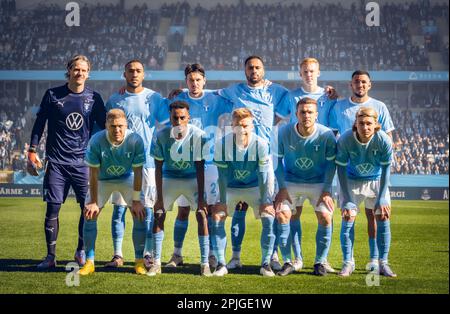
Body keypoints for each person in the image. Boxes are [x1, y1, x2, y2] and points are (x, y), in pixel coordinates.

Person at [28, 55, 106, 269]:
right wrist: (32, 151)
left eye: (83, 70)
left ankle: (81, 251)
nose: (79, 73)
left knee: (87, 209)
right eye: (76, 69)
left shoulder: (94, 98)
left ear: (88, 73)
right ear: (69, 71)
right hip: (57, 163)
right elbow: (39, 124)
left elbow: (106, 126)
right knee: (52, 208)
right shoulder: (52, 95)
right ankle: (50, 257)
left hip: (84, 164)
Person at [217, 55, 288, 271]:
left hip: (266, 156)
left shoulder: (275, 91)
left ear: (263, 70)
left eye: (257, 67)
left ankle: (272, 255)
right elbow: (207, 95)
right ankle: (235, 257)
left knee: (270, 207)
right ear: (245, 70)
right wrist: (180, 93)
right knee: (239, 209)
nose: (254, 71)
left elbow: (297, 101)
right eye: (250, 67)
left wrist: (327, 93)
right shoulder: (234, 90)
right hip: (240, 157)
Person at [164, 64, 232, 270]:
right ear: (186, 82)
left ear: (204, 81)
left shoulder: (215, 99)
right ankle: (177, 254)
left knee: (209, 211)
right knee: (183, 210)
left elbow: (238, 102)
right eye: (190, 80)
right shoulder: (179, 101)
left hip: (209, 163)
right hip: (186, 164)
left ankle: (212, 254)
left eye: (198, 80)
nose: (194, 84)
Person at [275, 57, 338, 273]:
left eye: (310, 112)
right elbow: (276, 162)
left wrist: (327, 190)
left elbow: (332, 164)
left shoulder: (328, 133)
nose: (306, 115)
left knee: (325, 215)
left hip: (318, 182)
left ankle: (320, 261)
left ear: (317, 114)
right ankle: (292, 261)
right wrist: (282, 188)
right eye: (302, 112)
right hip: (292, 181)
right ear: (296, 113)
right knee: (285, 214)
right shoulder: (284, 130)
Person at [104, 59, 169, 271]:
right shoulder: (115, 99)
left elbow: (171, 118)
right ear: (124, 74)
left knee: (147, 210)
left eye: (138, 71)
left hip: (147, 163)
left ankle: (146, 255)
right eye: (130, 70)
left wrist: (179, 92)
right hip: (120, 162)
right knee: (120, 210)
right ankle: (117, 254)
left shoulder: (154, 98)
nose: (134, 74)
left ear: (144, 74)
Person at [329, 70, 395, 271]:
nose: (360, 84)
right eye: (356, 81)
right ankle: (348, 262)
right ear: (351, 84)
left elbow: (387, 152)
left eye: (364, 81)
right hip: (351, 175)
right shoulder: (340, 109)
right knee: (348, 216)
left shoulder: (380, 109)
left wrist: (383, 195)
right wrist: (346, 196)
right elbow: (333, 139)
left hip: (375, 176)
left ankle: (379, 261)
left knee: (380, 215)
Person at [77, 108, 147, 276]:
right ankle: (90, 262)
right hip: (102, 179)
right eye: (113, 126)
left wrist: (136, 201)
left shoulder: (135, 140)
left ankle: (139, 262)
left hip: (127, 177)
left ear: (126, 125)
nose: (117, 130)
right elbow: (93, 174)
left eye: (120, 126)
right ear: (106, 126)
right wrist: (93, 201)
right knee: (89, 213)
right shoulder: (96, 140)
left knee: (140, 213)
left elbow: (138, 172)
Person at [149, 100, 210, 276]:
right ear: (170, 118)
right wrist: (159, 199)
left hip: (191, 178)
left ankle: (204, 263)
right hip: (170, 177)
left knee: (201, 214)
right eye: (175, 118)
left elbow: (200, 167)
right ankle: (157, 262)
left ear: (188, 117)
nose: (178, 122)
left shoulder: (199, 135)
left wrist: (201, 200)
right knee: (159, 213)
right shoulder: (161, 136)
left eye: (182, 118)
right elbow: (158, 168)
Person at [212, 108, 275, 277]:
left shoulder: (261, 144)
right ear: (232, 126)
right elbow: (222, 176)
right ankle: (221, 264)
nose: (242, 129)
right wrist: (223, 202)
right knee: (218, 216)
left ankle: (266, 263)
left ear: (252, 126)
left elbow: (263, 175)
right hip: (231, 187)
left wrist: (264, 201)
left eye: (246, 125)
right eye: (238, 125)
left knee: (268, 216)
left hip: (254, 186)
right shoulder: (221, 144)